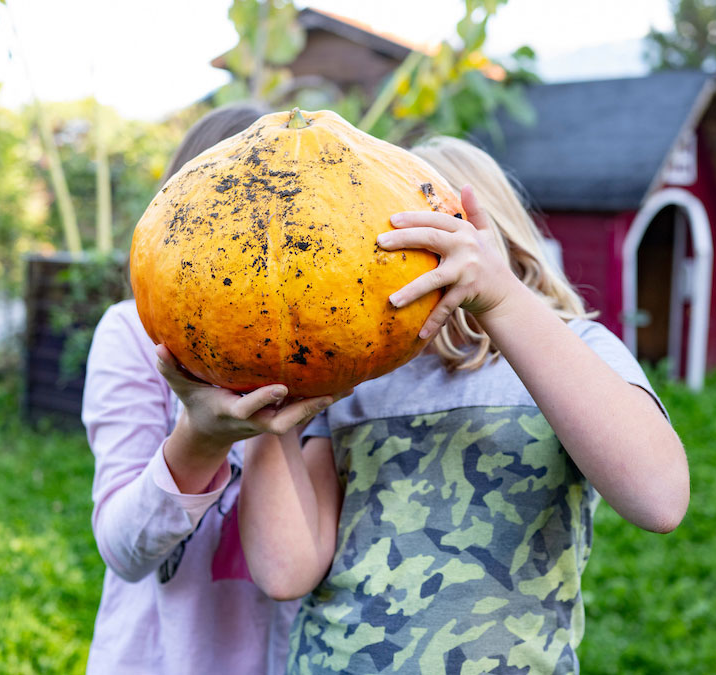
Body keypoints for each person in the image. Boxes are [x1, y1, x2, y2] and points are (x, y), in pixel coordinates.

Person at [237, 136, 690, 674]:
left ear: (493, 237)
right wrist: (270, 401)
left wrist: (499, 298)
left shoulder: (575, 351)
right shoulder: (352, 381)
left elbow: (658, 499)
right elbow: (286, 571)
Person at [82, 102, 336, 675]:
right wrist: (202, 435)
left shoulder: (335, 350)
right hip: (158, 659)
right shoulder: (131, 334)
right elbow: (124, 550)